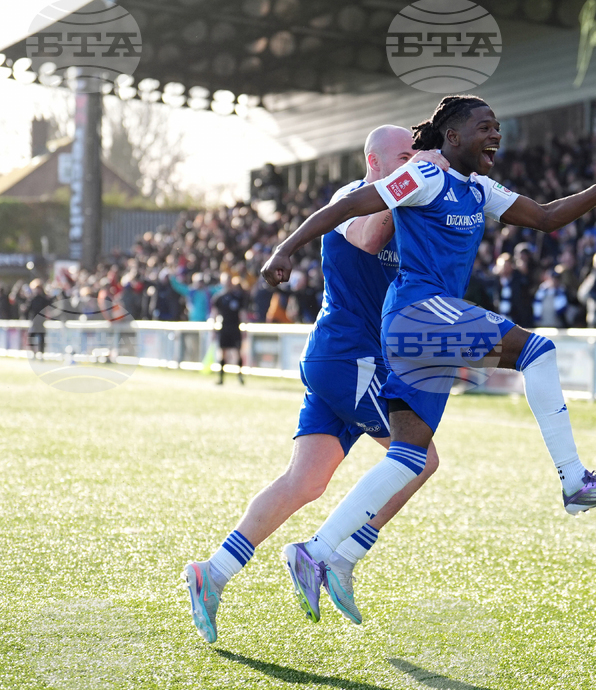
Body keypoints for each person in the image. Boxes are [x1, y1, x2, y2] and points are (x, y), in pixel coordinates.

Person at [261, 94, 596, 623]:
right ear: (454, 136)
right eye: (484, 126)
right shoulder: (422, 176)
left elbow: (547, 218)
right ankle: (575, 480)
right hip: (419, 313)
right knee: (538, 351)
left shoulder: (479, 189)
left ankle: (322, 552)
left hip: (424, 326)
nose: (495, 135)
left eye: (498, 127)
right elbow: (350, 206)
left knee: (411, 458)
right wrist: (284, 248)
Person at [183, 126, 447, 642]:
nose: (414, 163)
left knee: (304, 482)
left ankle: (210, 574)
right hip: (350, 358)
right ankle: (339, 556)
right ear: (374, 161)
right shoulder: (350, 198)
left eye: (417, 156)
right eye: (404, 156)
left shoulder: (402, 204)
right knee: (421, 458)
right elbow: (369, 238)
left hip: (348, 360)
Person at [210, 273, 249, 385]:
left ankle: (240, 377)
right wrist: (213, 329)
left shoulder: (238, 297)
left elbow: (242, 314)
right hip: (224, 328)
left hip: (235, 328)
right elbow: (214, 314)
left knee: (238, 352)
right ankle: (221, 378)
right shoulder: (218, 298)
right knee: (222, 353)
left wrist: (244, 328)